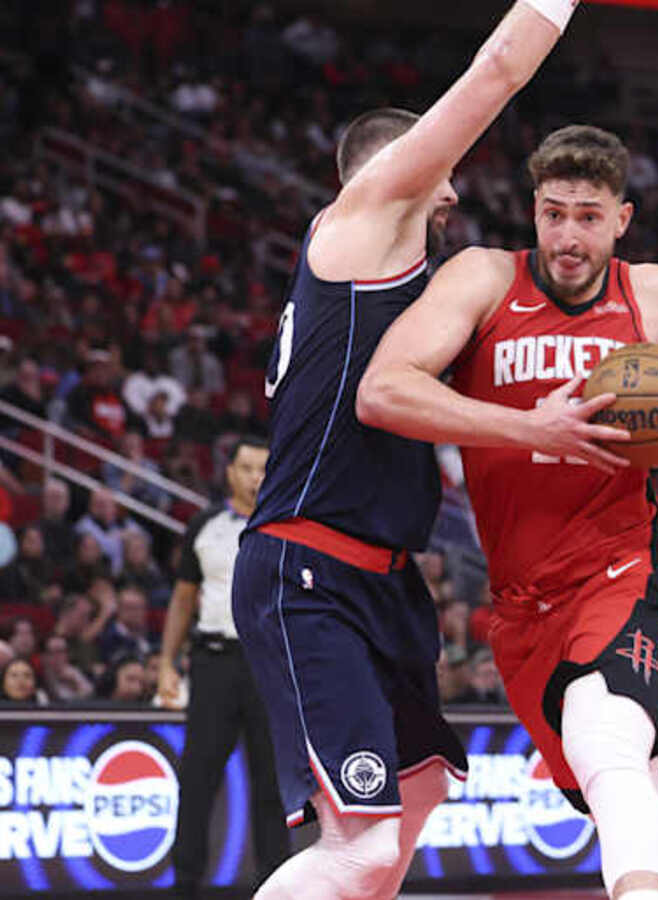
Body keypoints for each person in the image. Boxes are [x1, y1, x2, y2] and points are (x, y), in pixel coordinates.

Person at [358, 124, 658, 900]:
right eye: (554, 213)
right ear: (533, 209)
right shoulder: (483, 279)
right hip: (521, 606)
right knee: (629, 797)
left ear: (621, 219)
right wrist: (528, 427)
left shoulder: (651, 292)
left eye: (589, 217)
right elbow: (383, 389)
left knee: (606, 747)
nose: (568, 236)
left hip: (622, 570)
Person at [229, 4, 580, 898]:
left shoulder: (410, 280)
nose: (453, 193)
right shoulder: (362, 219)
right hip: (309, 566)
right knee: (361, 847)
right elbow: (498, 70)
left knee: (419, 793)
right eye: (444, 173)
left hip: (383, 579)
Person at [158, 438, 286, 898]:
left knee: (272, 784)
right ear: (229, 472)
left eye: (264, 469)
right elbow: (182, 600)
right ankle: (184, 885)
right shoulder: (204, 524)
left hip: (270, 664)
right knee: (197, 778)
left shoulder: (290, 525)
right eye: (247, 468)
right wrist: (166, 663)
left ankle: (275, 887)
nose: (256, 477)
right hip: (214, 661)